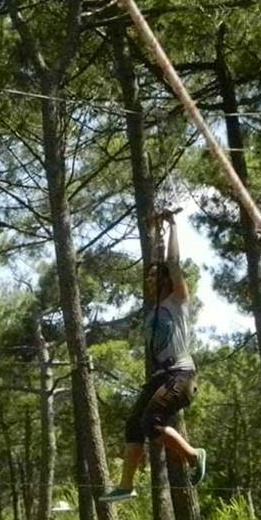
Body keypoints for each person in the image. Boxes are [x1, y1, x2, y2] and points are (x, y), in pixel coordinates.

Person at [100, 210, 206, 503]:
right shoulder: (153, 311)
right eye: (146, 279)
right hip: (161, 377)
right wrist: (156, 231)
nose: (148, 283)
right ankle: (125, 485)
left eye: (153, 278)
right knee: (134, 423)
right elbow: (159, 262)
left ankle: (194, 456)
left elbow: (171, 263)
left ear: (166, 282)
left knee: (152, 423)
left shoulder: (178, 301)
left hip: (180, 375)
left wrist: (171, 227)